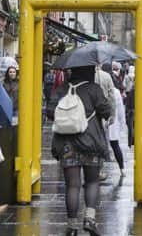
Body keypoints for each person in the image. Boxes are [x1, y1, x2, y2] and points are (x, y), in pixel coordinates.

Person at [51, 66, 112, 236]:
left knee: (72, 184)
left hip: (66, 144)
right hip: (91, 142)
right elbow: (107, 111)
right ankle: (90, 220)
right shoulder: (94, 88)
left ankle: (71, 227)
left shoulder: (62, 88)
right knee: (92, 181)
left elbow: (50, 112)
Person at [107, 87, 126, 177]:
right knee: (115, 145)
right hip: (113, 123)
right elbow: (120, 110)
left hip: (102, 123)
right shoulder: (116, 91)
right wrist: (122, 123)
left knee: (98, 148)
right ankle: (122, 169)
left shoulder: (97, 89)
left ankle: (97, 171)